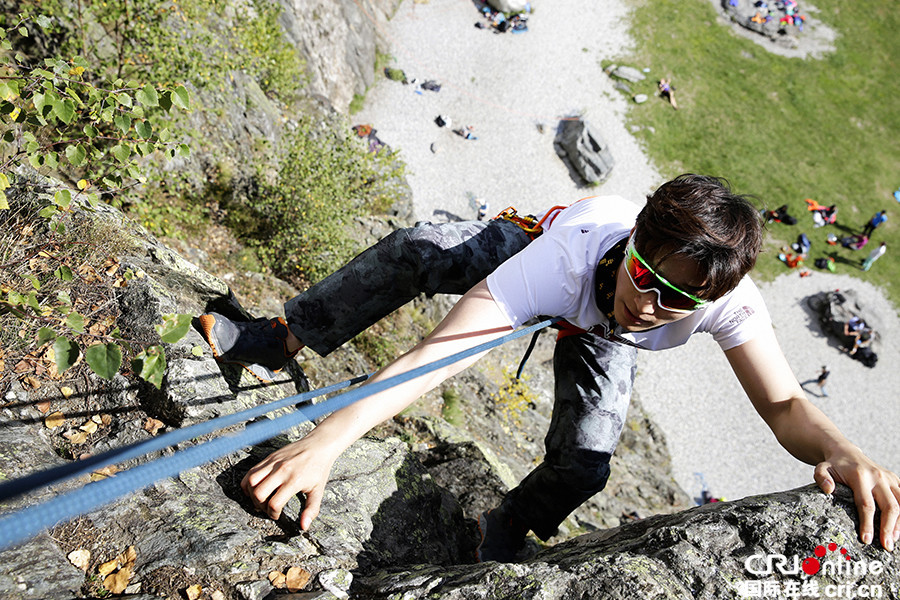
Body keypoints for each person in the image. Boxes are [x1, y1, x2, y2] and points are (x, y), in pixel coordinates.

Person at [199, 174, 900, 561]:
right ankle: (276, 338)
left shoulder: (724, 302)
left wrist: (846, 453)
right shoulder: (562, 261)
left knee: (586, 465)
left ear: (713, 297)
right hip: (542, 248)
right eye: (649, 278)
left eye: (682, 300)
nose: (655, 307)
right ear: (632, 242)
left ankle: (505, 525)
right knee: (418, 249)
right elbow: (433, 359)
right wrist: (326, 441)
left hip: (602, 335)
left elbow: (782, 407)